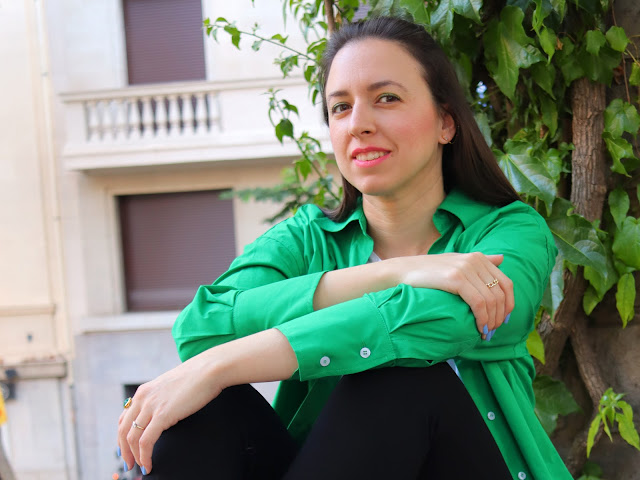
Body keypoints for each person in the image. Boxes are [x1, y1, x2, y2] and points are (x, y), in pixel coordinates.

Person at [117, 16, 572, 479]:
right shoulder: (307, 239)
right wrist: (394, 272)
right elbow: (201, 329)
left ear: (445, 122)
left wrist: (216, 367)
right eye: (340, 107)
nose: (359, 124)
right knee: (202, 410)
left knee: (400, 373)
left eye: (386, 98)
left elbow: (440, 322)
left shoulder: (508, 232)